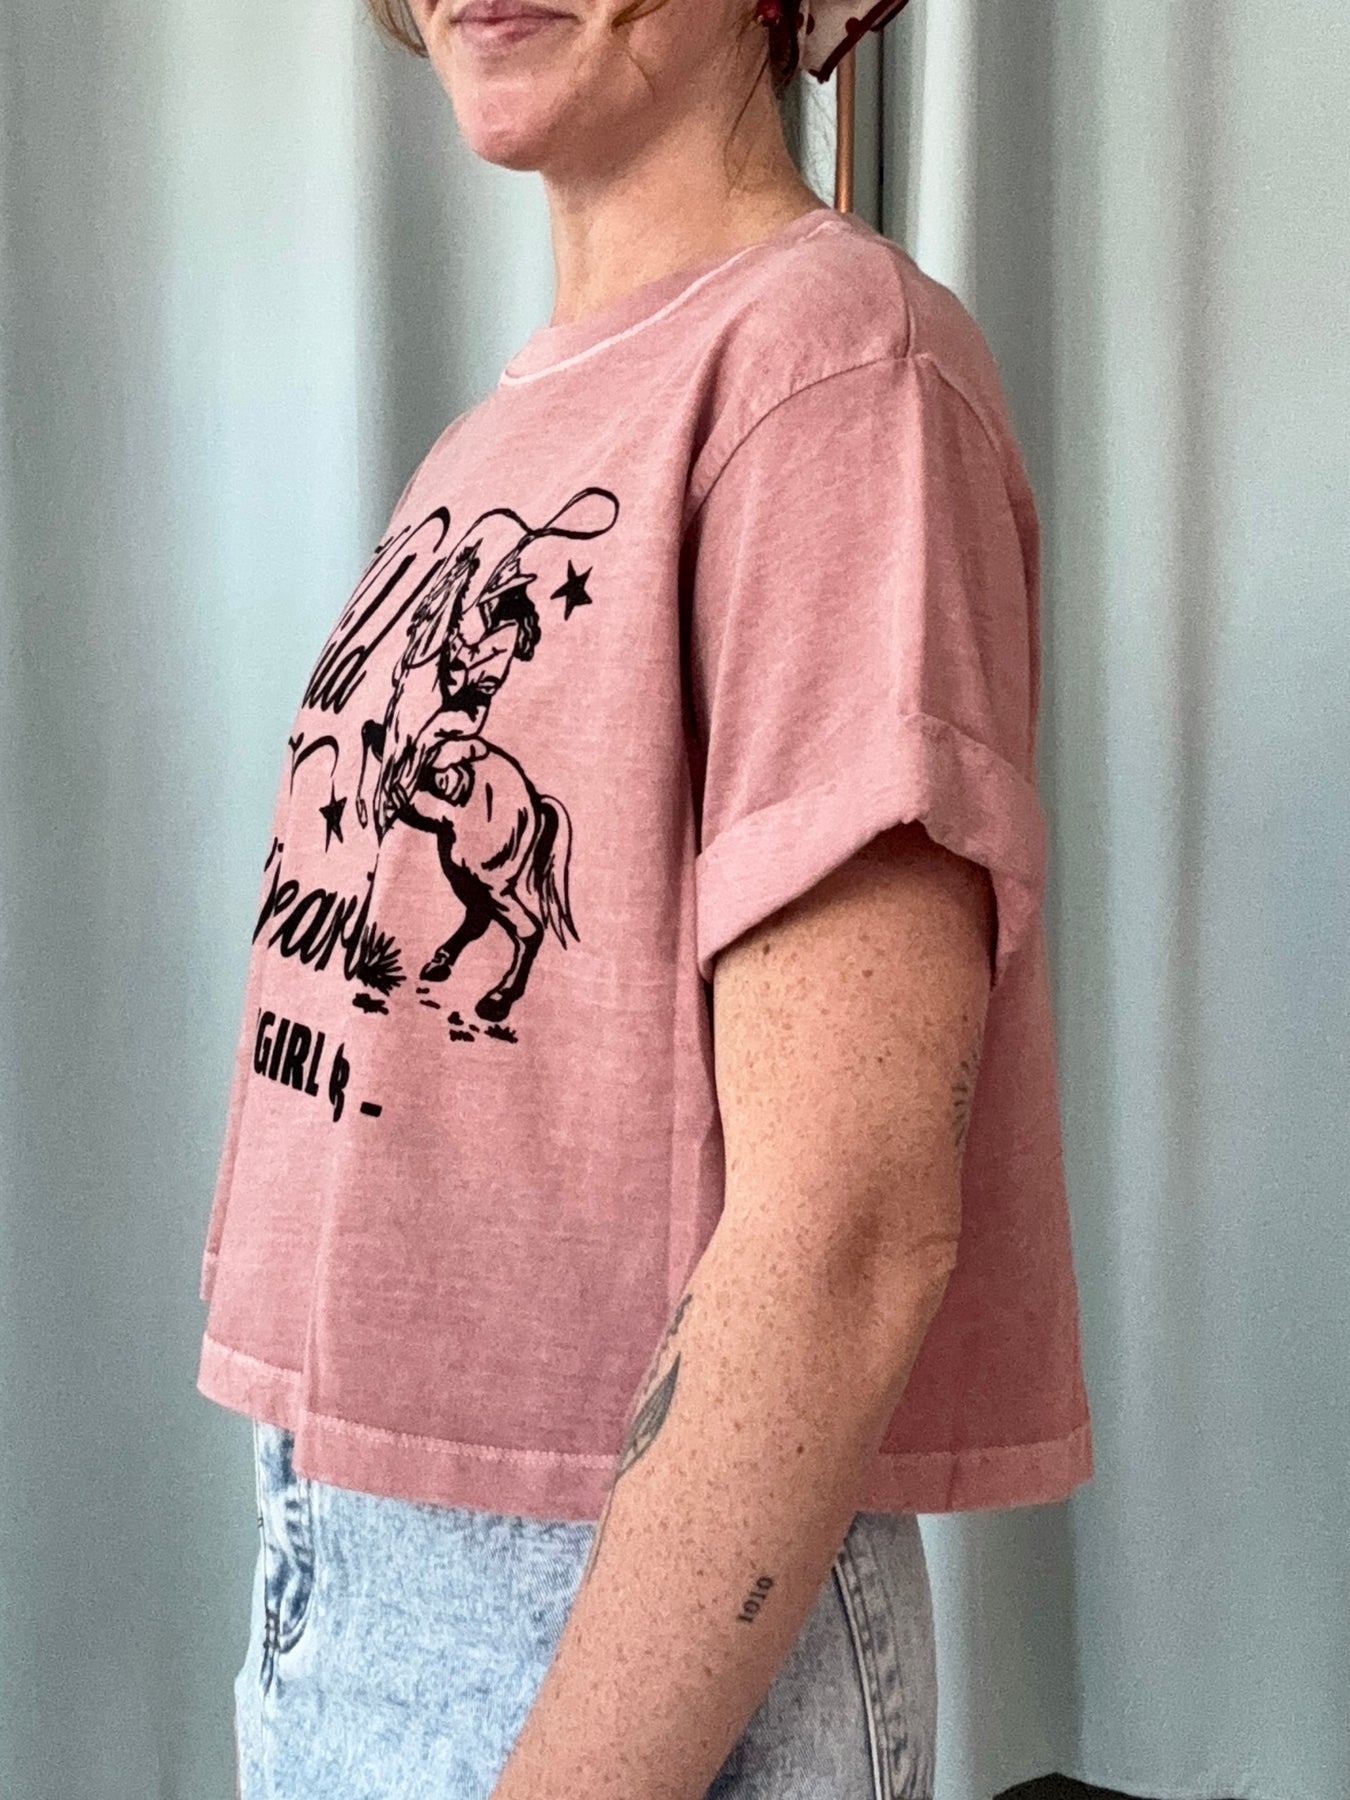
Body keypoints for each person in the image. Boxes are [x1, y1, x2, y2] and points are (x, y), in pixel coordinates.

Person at [196, 0, 1095, 1794]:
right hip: (353, 1565)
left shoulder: (832, 371)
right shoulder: (504, 430)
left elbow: (847, 1227)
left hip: (602, 1622)